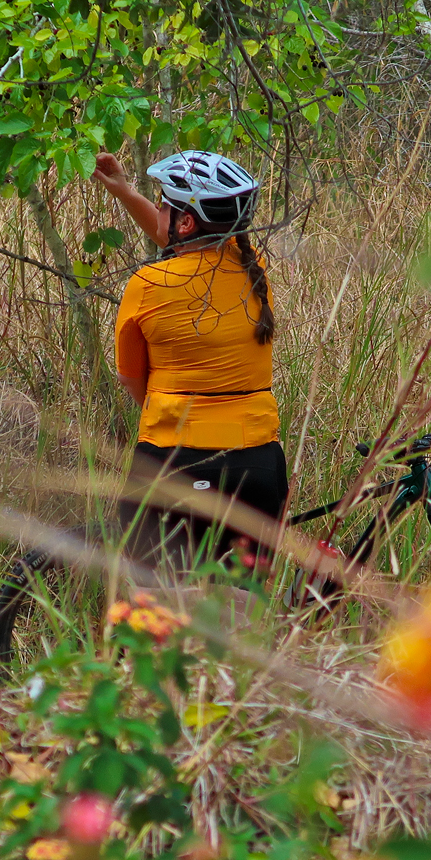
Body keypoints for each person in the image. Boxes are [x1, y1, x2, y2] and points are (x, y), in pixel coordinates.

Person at [93, 148, 286, 574]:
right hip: (256, 463)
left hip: (172, 459)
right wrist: (125, 192)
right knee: (243, 598)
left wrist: (164, 409)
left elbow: (130, 377)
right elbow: (186, 243)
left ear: (185, 222)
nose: (159, 210)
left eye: (164, 204)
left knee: (153, 599)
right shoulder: (254, 269)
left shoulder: (147, 285)